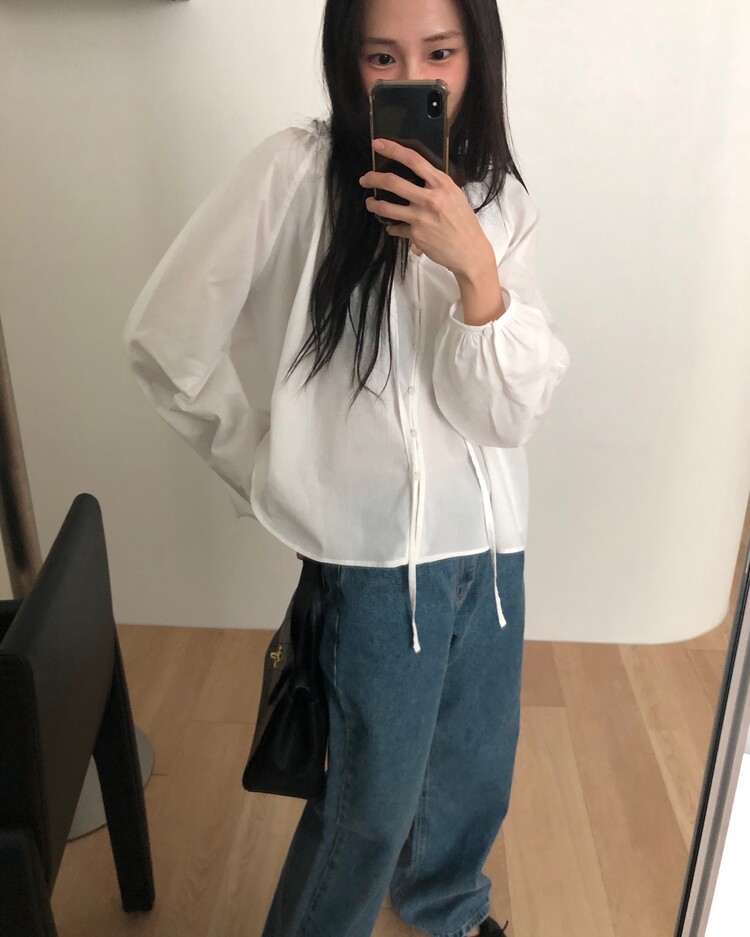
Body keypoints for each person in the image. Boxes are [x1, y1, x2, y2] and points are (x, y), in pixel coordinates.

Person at [123, 0, 570, 933]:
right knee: (367, 808)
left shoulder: (498, 204)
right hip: (372, 568)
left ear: (478, 56)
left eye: (439, 53)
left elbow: (509, 414)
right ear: (346, 62)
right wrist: (268, 469)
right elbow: (167, 340)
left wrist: (473, 269)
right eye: (382, 57)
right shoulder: (295, 175)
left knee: (473, 770)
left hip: (490, 550)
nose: (413, 79)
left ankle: (446, 905)